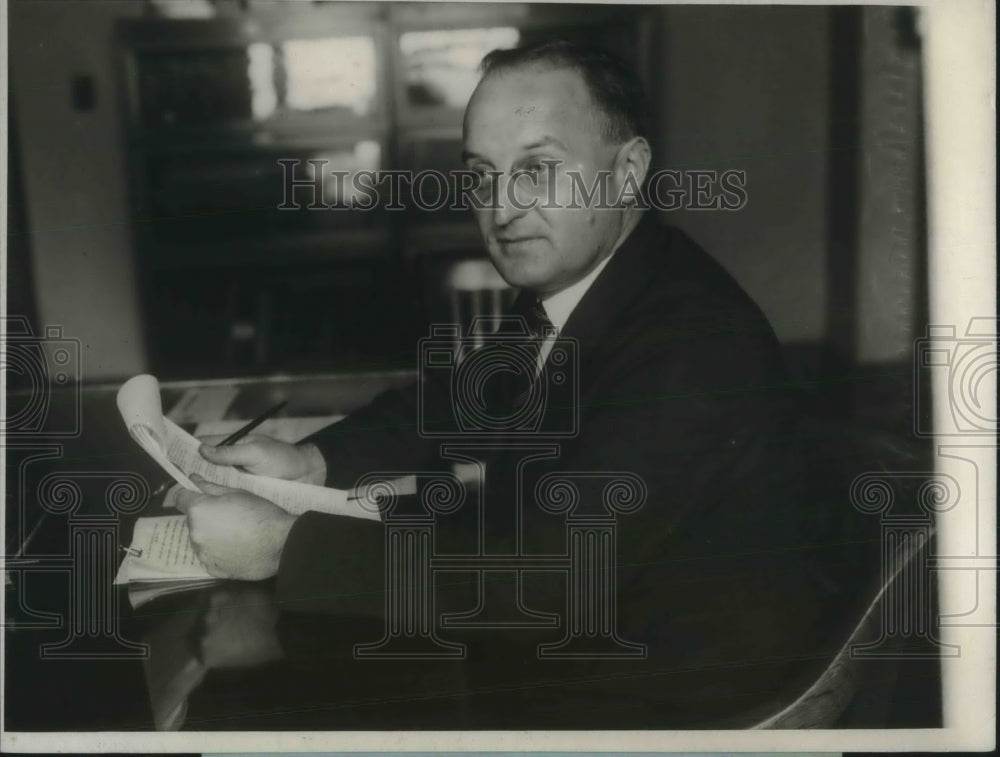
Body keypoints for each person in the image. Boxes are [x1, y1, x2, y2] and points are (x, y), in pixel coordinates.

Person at [172, 41, 843, 725]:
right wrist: (309, 460)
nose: (501, 207)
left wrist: (285, 541)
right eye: (482, 176)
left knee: (236, 700)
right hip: (565, 654)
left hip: (659, 709)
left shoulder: (694, 343)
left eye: (539, 168)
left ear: (629, 171)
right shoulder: (597, 283)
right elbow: (453, 403)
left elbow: (548, 579)